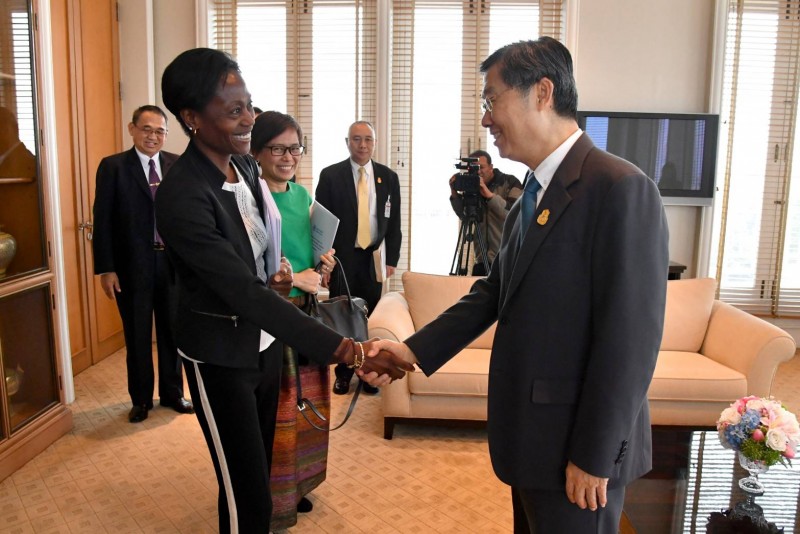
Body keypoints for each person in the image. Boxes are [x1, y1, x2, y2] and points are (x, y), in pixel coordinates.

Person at [369, 37, 669, 533]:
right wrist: (412, 351)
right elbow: (493, 292)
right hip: (532, 440)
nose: (486, 119)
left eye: (492, 100)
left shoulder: (619, 188)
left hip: (578, 451)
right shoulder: (533, 189)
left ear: (542, 93)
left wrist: (594, 455)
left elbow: (630, 342)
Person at [156, 48, 412, 534]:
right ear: (191, 119)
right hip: (222, 357)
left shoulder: (245, 169)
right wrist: (349, 350)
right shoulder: (183, 193)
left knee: (267, 476)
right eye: (234, 111)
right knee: (245, 495)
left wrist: (276, 273)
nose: (249, 119)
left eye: (249, 105)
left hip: (266, 346)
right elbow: (242, 293)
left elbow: (258, 260)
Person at [250, 110, 336, 530]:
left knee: (309, 404)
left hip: (308, 313)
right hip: (276, 318)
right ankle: (274, 497)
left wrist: (322, 267)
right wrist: (285, 279)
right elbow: (254, 270)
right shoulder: (251, 198)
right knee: (281, 409)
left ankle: (299, 485)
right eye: (278, 148)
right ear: (258, 151)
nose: (288, 157)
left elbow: (308, 257)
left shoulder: (302, 197)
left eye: (295, 148)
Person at [92, 104, 193, 423]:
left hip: (171, 264)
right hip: (130, 266)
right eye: (147, 129)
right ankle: (140, 400)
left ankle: (173, 393)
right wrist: (106, 268)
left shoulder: (177, 165)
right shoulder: (113, 167)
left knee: (172, 332)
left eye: (160, 130)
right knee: (136, 335)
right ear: (132, 128)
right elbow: (103, 220)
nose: (153, 136)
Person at [316, 120, 402, 395]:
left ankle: (369, 374)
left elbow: (395, 222)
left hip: (373, 258)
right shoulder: (331, 176)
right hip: (342, 259)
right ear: (347, 142)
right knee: (342, 316)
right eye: (356, 139)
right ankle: (342, 373)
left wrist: (392, 259)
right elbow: (321, 223)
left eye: (367, 139)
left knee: (371, 316)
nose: (362, 145)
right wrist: (323, 264)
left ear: (374, 143)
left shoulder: (388, 177)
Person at [449, 149, 522, 275]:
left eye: (481, 167)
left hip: (505, 259)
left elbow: (513, 215)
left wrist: (488, 195)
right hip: (481, 260)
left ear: (491, 167)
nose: (478, 171)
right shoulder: (471, 186)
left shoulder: (510, 182)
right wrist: (454, 194)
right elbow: (464, 215)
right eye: (473, 168)